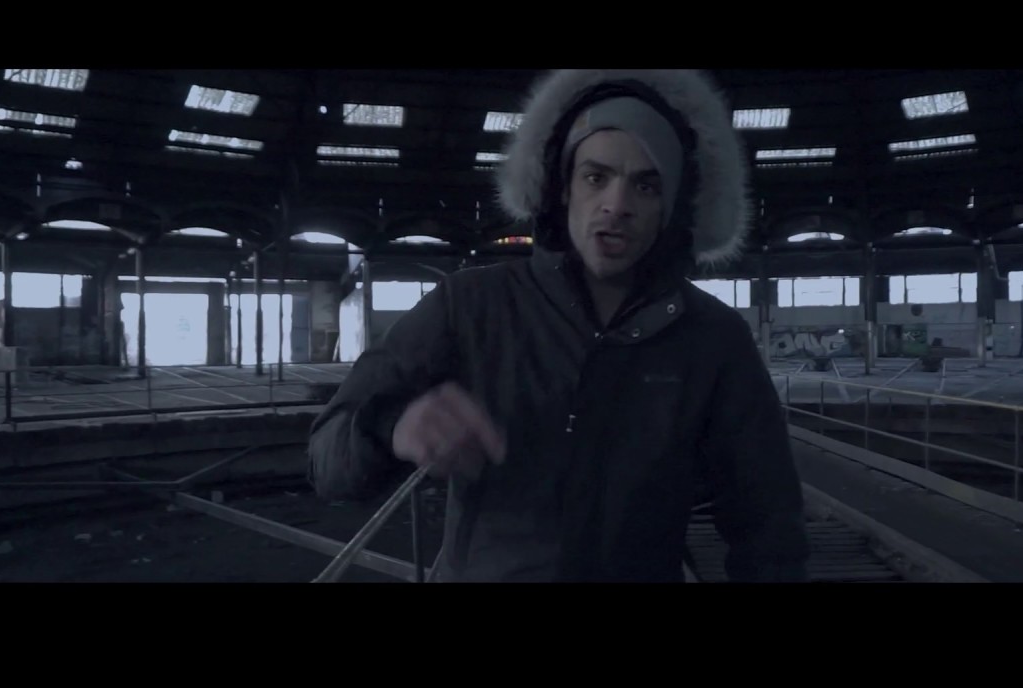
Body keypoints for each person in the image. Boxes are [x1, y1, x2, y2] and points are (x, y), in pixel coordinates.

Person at [307, 69, 809, 582]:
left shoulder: (714, 340)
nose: (617, 205)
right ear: (562, 187)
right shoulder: (469, 306)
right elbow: (326, 458)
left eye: (646, 185)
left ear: (672, 207)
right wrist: (390, 428)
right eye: (596, 177)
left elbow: (770, 524)